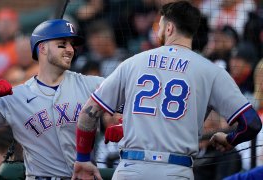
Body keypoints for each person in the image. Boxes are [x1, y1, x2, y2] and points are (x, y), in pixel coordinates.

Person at [71, 1, 262, 180]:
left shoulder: (132, 63)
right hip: (176, 171)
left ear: (169, 28)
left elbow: (87, 115)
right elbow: (251, 123)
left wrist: (82, 158)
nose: (158, 30)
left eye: (159, 26)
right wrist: (230, 139)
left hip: (130, 170)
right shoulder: (212, 71)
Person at [0, 19, 105, 179]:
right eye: (62, 44)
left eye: (72, 44)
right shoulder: (17, 97)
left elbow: (130, 99)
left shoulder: (93, 85)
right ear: (42, 48)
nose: (70, 49)